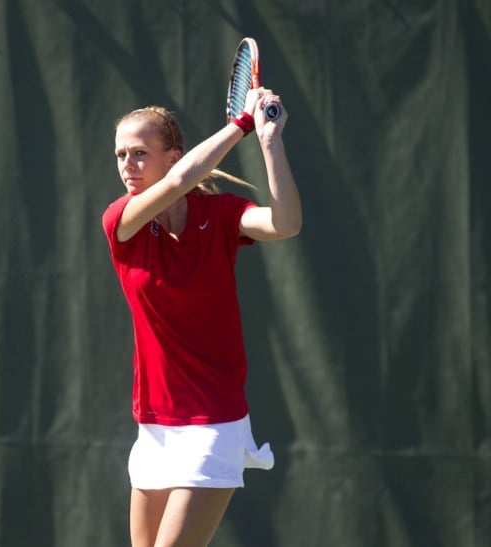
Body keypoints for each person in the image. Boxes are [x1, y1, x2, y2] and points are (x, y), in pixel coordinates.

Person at [101, 87, 302, 547]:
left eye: (139, 154)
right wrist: (239, 126)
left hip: (214, 424)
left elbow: (285, 224)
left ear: (173, 156)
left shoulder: (222, 215)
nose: (127, 166)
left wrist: (269, 140)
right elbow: (175, 186)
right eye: (120, 155)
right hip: (153, 427)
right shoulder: (121, 221)